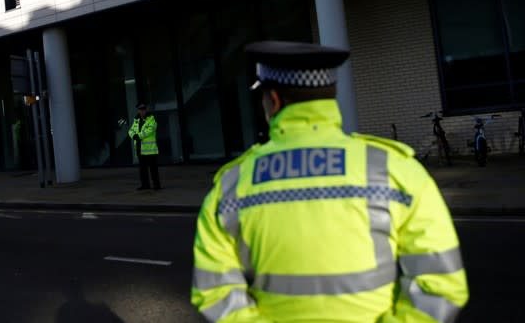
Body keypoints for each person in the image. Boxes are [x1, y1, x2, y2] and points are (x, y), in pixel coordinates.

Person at [191, 41, 469, 322]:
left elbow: (215, 291)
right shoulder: (395, 169)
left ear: (273, 100)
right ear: (329, 98)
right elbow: (441, 284)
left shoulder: (232, 183)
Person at [128, 102, 161, 190]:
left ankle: (156, 185)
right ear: (138, 110)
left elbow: (149, 130)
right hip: (140, 149)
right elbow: (131, 130)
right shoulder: (136, 120)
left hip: (150, 150)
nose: (142, 111)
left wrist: (137, 136)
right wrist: (133, 135)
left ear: (146, 110)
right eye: (140, 110)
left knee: (153, 169)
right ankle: (145, 185)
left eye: (143, 109)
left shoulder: (151, 119)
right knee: (143, 169)